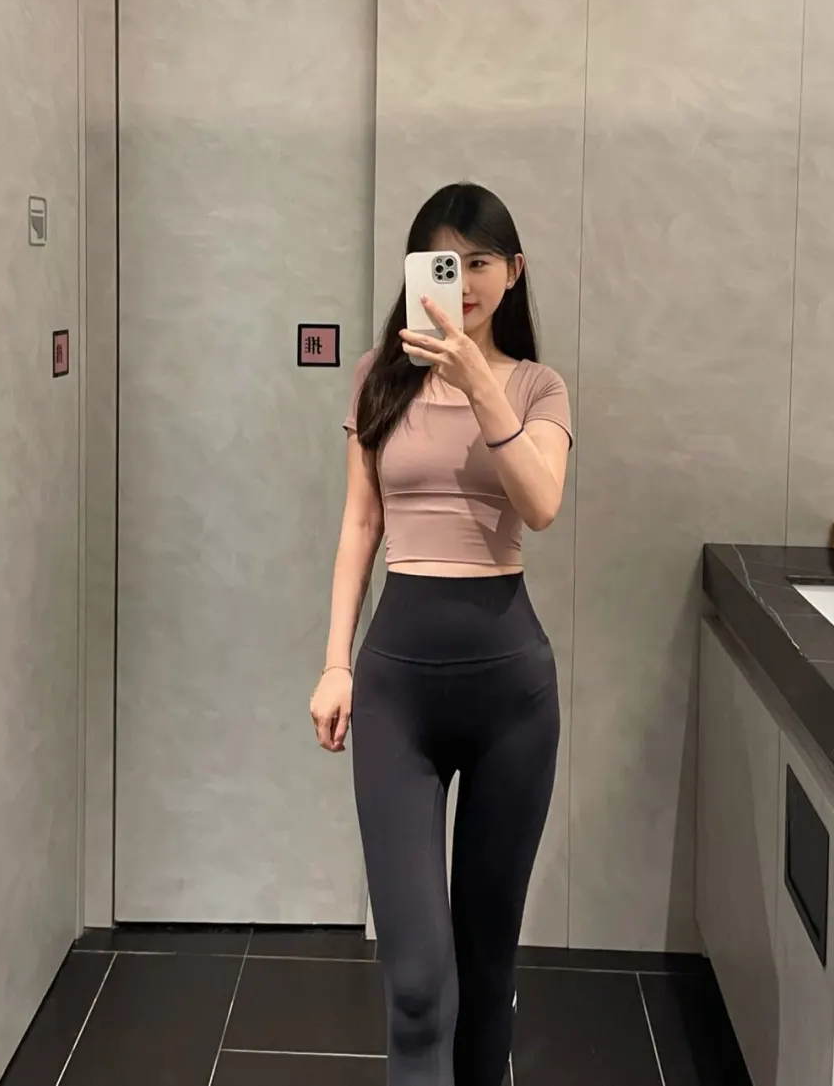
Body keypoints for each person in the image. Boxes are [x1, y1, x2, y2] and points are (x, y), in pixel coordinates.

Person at [309, 181, 573, 1086]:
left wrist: (478, 384)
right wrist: (335, 662)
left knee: (488, 963)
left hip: (513, 700)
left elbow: (541, 504)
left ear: (514, 271)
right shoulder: (379, 374)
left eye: (481, 262)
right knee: (419, 983)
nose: (465, 281)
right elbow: (359, 523)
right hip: (397, 693)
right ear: (419, 268)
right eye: (444, 261)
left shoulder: (538, 386)